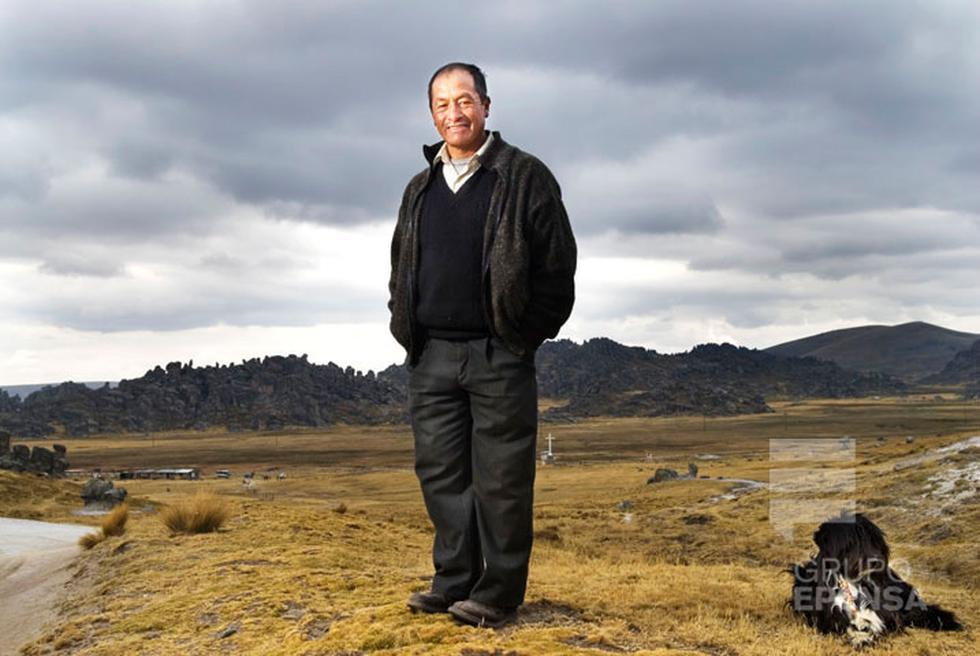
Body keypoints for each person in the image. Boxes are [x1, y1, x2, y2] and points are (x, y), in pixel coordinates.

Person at [387, 62, 576, 628]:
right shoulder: (419, 187)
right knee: (442, 476)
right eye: (442, 104)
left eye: (465, 101)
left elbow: (557, 270)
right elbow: (401, 266)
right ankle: (453, 581)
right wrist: (406, 328)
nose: (455, 113)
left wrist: (520, 336)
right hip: (433, 356)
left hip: (499, 354)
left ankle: (498, 592)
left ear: (487, 106)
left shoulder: (524, 177)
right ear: (432, 115)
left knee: (502, 479)